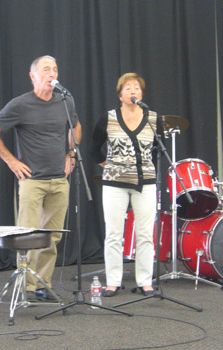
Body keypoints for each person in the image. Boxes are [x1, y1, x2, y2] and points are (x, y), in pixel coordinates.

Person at [0, 55, 82, 301]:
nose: (52, 73)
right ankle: (25, 286)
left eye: (55, 69)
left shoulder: (65, 101)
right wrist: (11, 161)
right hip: (33, 181)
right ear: (33, 76)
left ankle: (42, 284)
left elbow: (76, 127)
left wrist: (71, 153)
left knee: (52, 236)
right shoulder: (21, 104)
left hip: (59, 180)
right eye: (46, 69)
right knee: (26, 235)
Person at [90, 72, 164, 297]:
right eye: (128, 88)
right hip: (114, 183)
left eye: (137, 88)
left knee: (145, 234)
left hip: (146, 182)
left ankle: (145, 281)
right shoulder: (108, 117)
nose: (133, 91)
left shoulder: (153, 118)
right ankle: (113, 281)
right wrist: (111, 166)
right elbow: (94, 148)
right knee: (113, 233)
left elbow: (158, 149)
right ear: (120, 94)